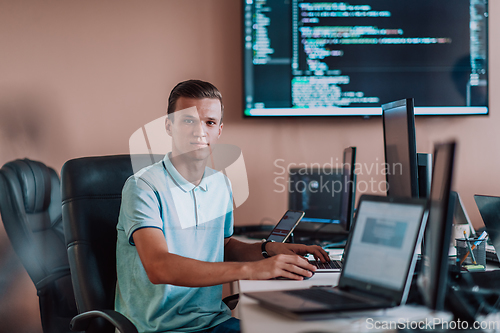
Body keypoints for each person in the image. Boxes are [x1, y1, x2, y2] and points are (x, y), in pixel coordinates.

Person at [115, 79, 330, 333]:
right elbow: (159, 267)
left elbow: (223, 247)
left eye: (209, 122)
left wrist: (267, 251)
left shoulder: (220, 184)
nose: (200, 131)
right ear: (169, 126)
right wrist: (253, 270)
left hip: (212, 321)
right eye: (188, 121)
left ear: (219, 130)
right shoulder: (143, 186)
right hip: (158, 328)